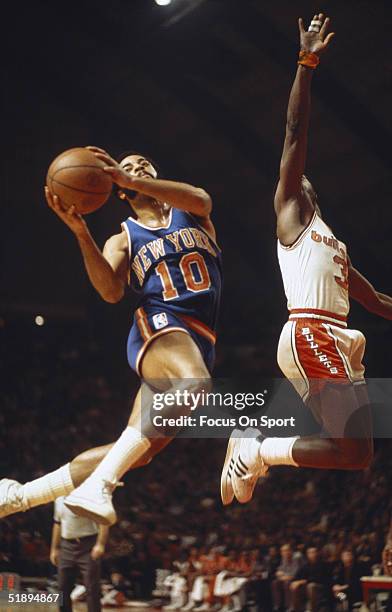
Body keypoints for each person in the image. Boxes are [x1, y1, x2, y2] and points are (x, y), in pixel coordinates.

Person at [221, 12, 392, 506]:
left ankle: (261, 452)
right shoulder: (292, 214)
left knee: (359, 454)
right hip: (309, 330)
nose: (298, 179)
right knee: (352, 447)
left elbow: (377, 298)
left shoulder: (332, 242)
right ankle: (257, 449)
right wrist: (306, 62)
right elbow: (295, 132)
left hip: (340, 336)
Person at [1, 148, 222, 525]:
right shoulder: (124, 238)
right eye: (128, 168)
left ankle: (18, 496)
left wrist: (130, 178)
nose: (137, 169)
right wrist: (80, 232)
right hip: (162, 323)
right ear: (117, 191)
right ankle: (101, 483)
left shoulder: (190, 211)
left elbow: (202, 197)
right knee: (197, 384)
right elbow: (110, 291)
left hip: (199, 336)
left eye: (144, 165)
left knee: (139, 448)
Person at [50, 495, 109, 612]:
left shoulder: (90, 496)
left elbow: (104, 521)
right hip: (66, 545)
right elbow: (57, 523)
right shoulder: (59, 499)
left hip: (88, 544)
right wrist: (54, 548)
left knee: (92, 589)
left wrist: (100, 544)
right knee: (62, 588)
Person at [290, 547, 332, 612]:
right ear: (307, 554)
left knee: (311, 586)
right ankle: (296, 609)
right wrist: (295, 582)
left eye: (314, 552)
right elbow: (296, 577)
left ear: (318, 553)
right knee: (295, 585)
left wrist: (304, 581)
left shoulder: (324, 564)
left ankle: (312, 609)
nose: (312, 554)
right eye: (310, 553)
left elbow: (320, 578)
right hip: (307, 588)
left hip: (323, 588)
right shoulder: (305, 566)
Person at [272, 543, 303, 611]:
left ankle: (289, 606)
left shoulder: (296, 558)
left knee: (287, 583)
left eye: (287, 550)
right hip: (286, 578)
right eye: (283, 551)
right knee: (275, 582)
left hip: (298, 579)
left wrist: (283, 575)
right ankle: (278, 605)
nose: (285, 553)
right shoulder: (284, 559)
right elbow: (278, 572)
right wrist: (282, 575)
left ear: (291, 551)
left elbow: (294, 574)